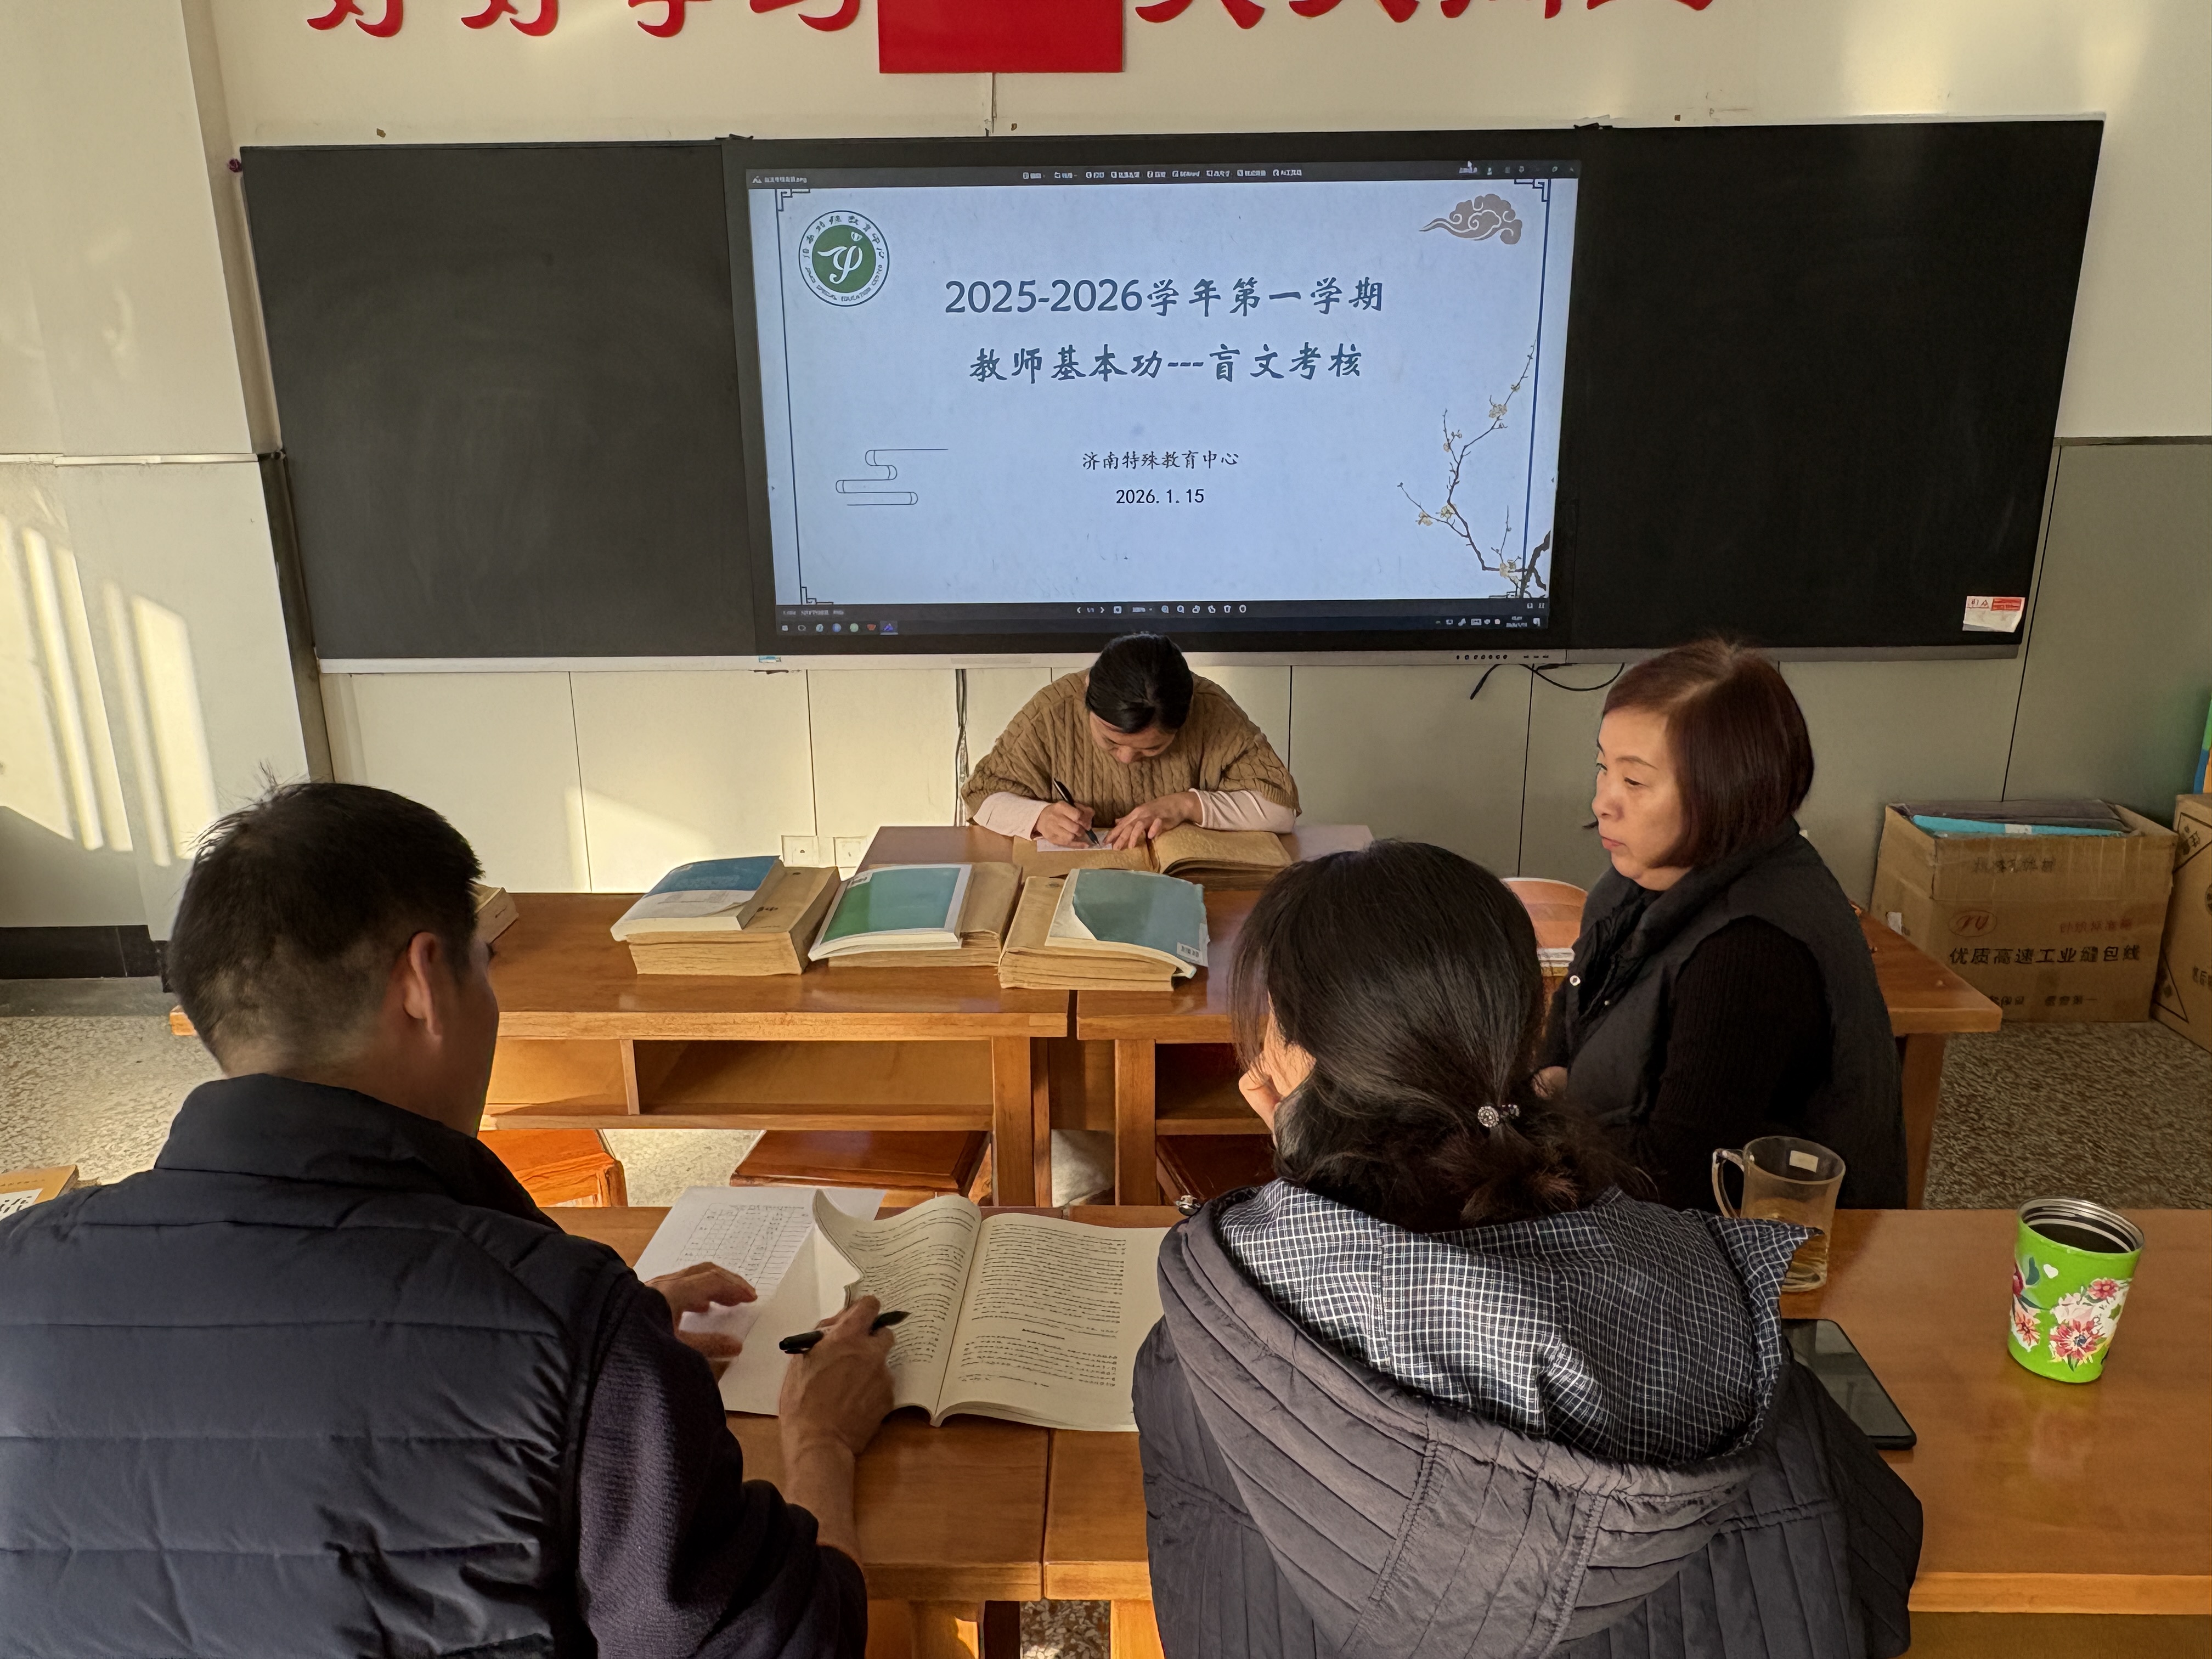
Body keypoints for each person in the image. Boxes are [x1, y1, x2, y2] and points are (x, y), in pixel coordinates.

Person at [0, 782, 894, 1656]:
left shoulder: (18, 1262)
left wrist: (598, 1366)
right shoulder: (566, 1325)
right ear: (425, 981)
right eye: (484, 963)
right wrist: (819, 1440)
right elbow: (792, 1639)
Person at [1133, 840, 1921, 1659]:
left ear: (1300, 1058)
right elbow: (1864, 1562)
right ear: (1516, 1030)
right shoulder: (1710, 1296)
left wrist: (1307, 1171)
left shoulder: (1225, 1332)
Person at [1535, 639, 1908, 1209]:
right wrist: (1546, 1096)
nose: (1602, 802)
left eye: (1635, 782)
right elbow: (1568, 1030)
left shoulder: (1750, 951)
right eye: (1603, 768)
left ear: (1724, 792)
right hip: (1624, 1186)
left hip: (1750, 1240)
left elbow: (1673, 1175)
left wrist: (1539, 1132)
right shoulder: (1640, 879)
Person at [963, 632, 1297, 849]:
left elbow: (1280, 809)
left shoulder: (1211, 711)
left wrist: (1184, 805)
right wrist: (1039, 817)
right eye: (1111, 741)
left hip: (1185, 881)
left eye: (1153, 748)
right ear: (1087, 692)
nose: (1125, 759)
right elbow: (981, 799)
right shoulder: (1052, 712)